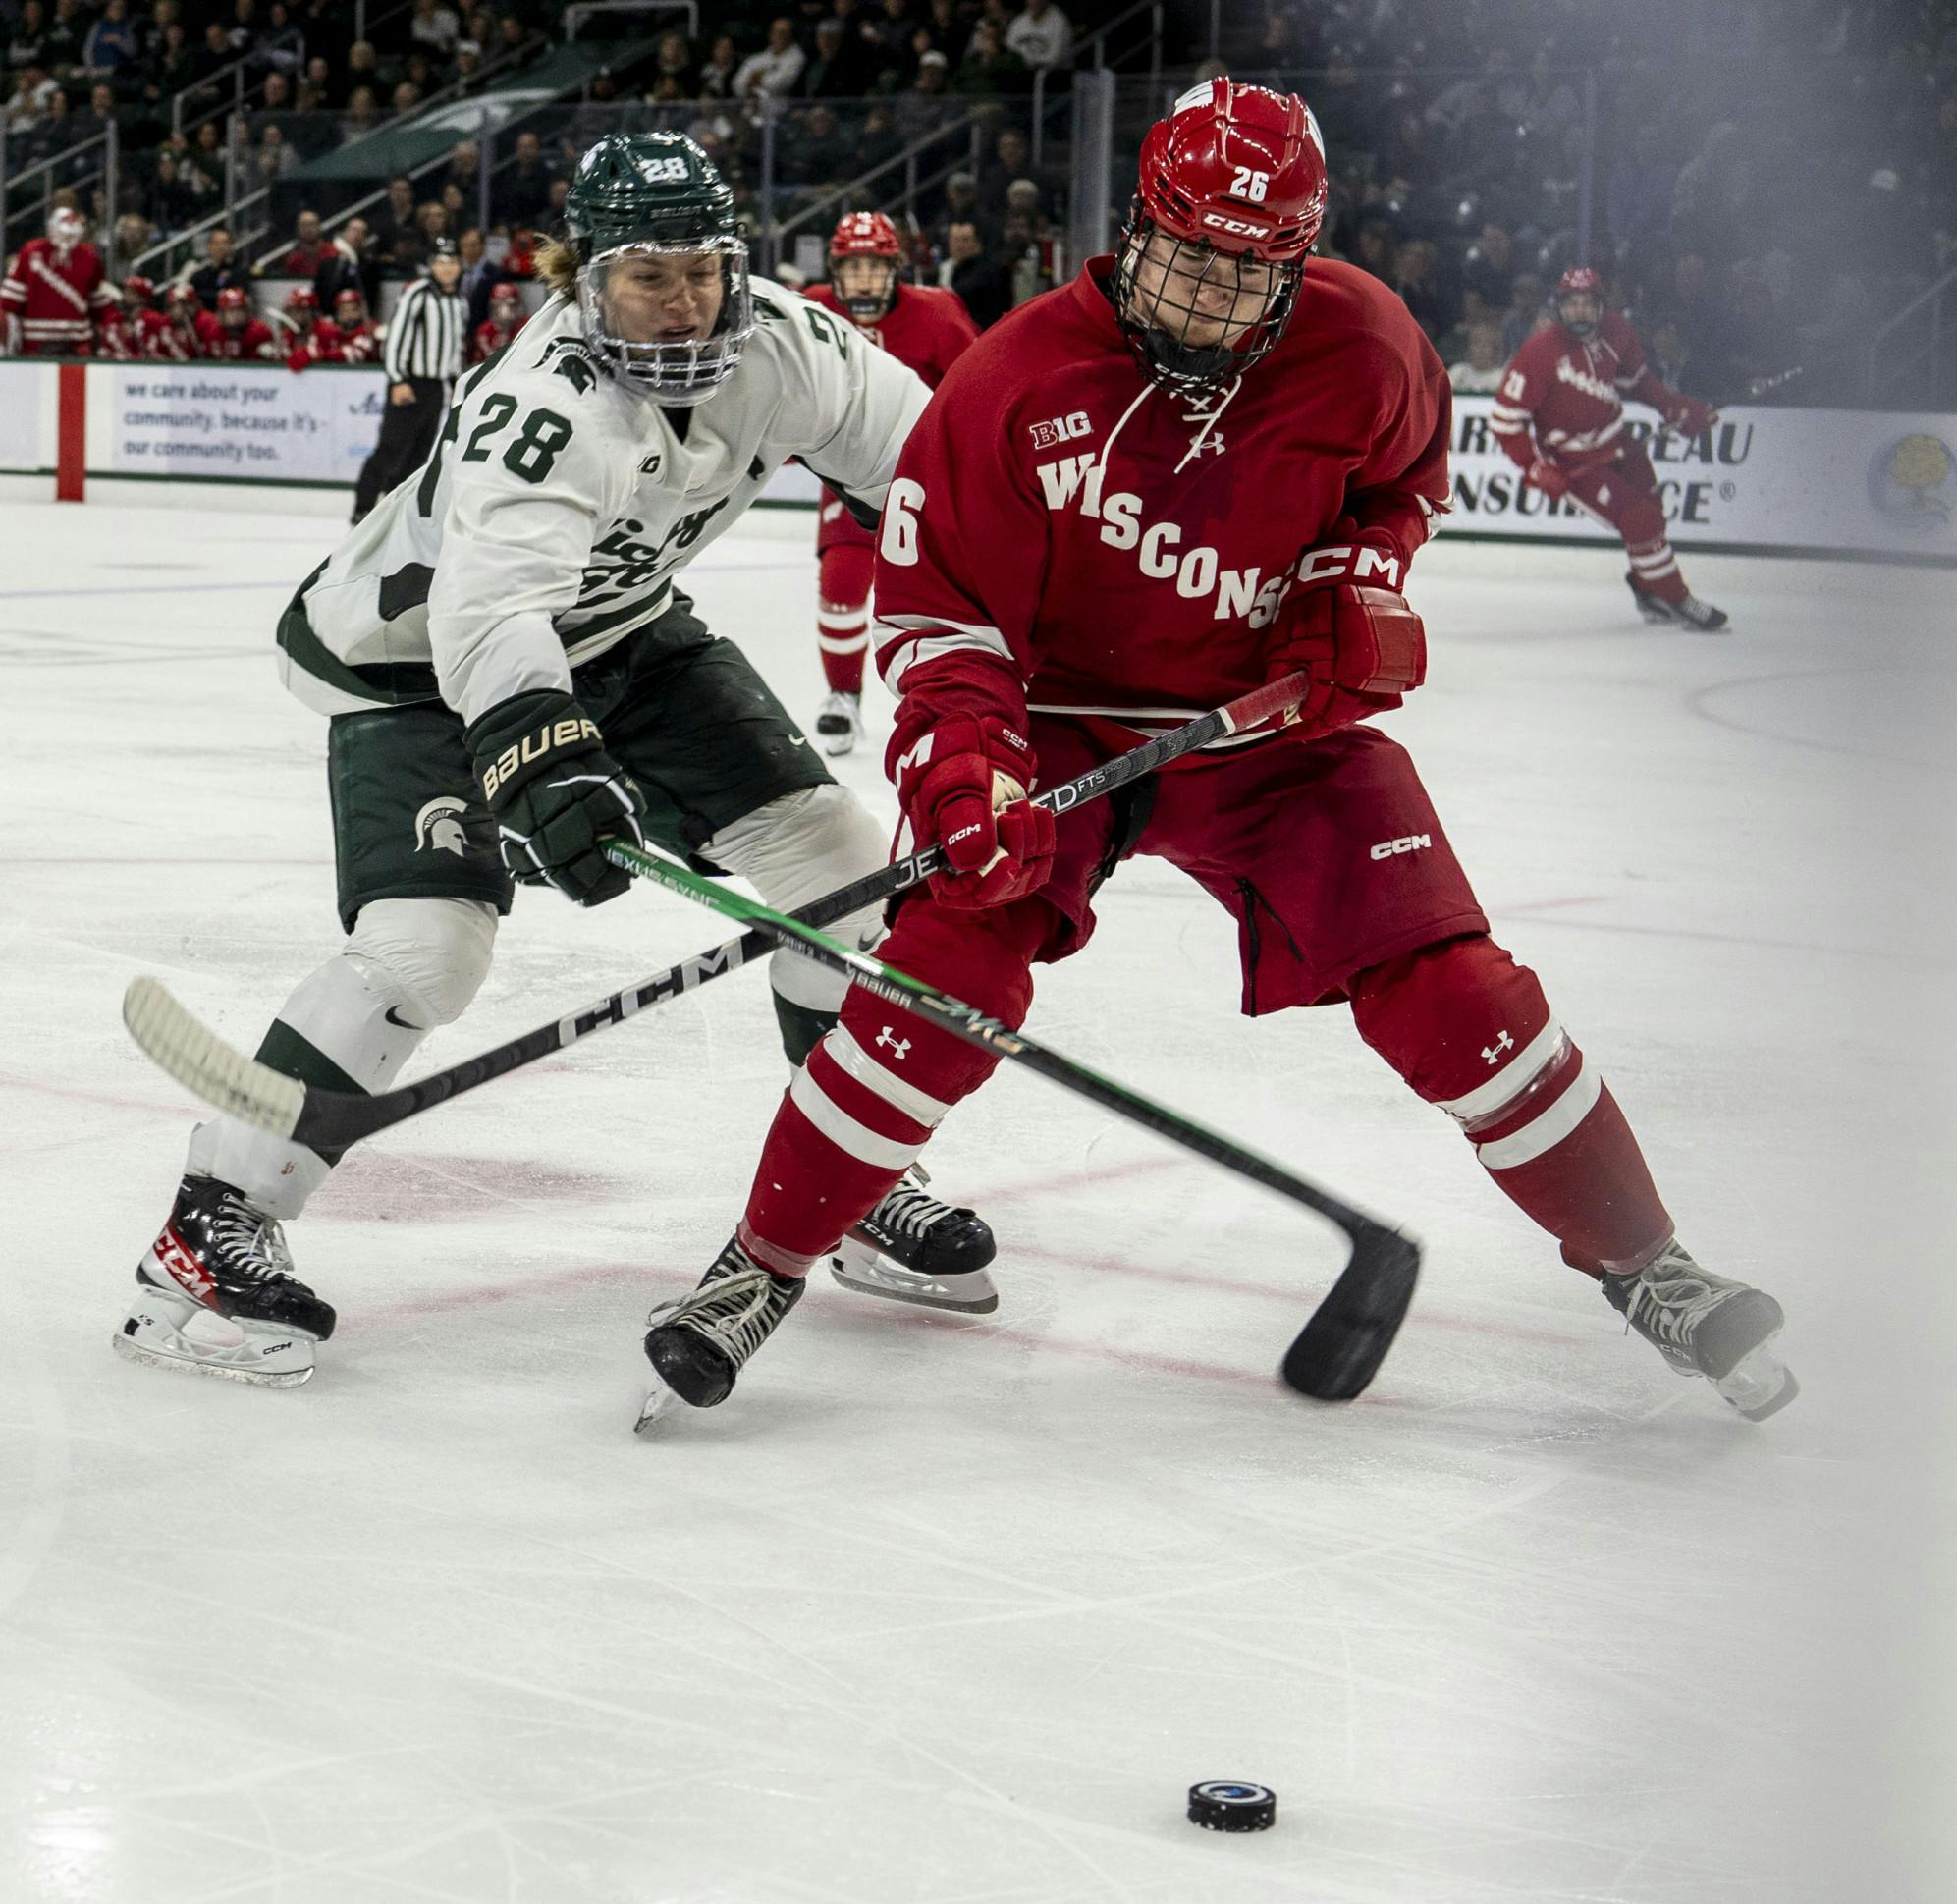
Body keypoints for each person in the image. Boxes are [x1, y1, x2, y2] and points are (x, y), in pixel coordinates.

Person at [639, 80, 1796, 1426]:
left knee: (1456, 988)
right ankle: (759, 1267)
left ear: (1295, 263)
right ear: (1139, 230)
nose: (1204, 300)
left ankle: (1649, 1267)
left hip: (1273, 731)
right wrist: (967, 771)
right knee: (946, 969)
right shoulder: (1015, 380)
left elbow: (1400, 484)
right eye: (1186, 259)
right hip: (1054, 726)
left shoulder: (1366, 342)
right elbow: (942, 613)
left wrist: (1348, 594)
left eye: (1246, 275)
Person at [116, 133, 1000, 1392]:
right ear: (583, 276)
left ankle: (850, 1177)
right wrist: (549, 768)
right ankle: (212, 1216)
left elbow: (950, 467)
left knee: (844, 872)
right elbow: (489, 618)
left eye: (701, 270)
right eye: (648, 276)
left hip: (624, 631)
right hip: (416, 660)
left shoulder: (788, 347)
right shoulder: (545, 407)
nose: (683, 301)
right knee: (431, 946)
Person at [799, 210, 977, 755]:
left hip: (928, 476)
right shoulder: (810, 306)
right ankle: (842, 697)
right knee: (841, 586)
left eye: (874, 269)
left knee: (950, 601)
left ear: (896, 269)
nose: (863, 282)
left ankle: (955, 702)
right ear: (834, 271)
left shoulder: (938, 315)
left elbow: (976, 384)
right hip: (850, 472)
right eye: (852, 270)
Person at [1493, 266, 1726, 630]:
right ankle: (1678, 599)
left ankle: (1648, 589)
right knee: (1640, 519)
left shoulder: (1618, 331)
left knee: (1652, 515)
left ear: (1601, 306)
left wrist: (1676, 407)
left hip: (1619, 443)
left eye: (1588, 303)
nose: (1580, 311)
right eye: (1572, 304)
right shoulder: (1539, 351)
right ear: (1560, 307)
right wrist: (1536, 467)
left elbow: (1639, 383)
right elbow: (1506, 420)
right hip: (1573, 460)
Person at [351, 236, 466, 521]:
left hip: (435, 387)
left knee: (419, 455)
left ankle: (395, 510)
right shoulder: (417, 294)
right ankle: (363, 506)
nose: (448, 268)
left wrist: (454, 382)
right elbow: (396, 339)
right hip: (410, 382)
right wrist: (397, 379)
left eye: (452, 262)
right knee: (391, 448)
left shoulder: (459, 301)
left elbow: (454, 346)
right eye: (441, 262)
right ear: (430, 266)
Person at [1, 203, 117, 354]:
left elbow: (100, 307)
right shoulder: (30, 252)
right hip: (36, 345)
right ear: (51, 229)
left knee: (74, 378)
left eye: (71, 234)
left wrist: (110, 327)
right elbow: (9, 304)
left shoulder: (89, 256)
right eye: (63, 233)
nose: (66, 238)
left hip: (77, 345)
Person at [201, 282, 278, 359]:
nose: (236, 315)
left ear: (247, 312)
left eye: (239, 310)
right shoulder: (212, 332)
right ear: (221, 313)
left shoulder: (260, 332)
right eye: (231, 311)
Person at [275, 282, 342, 369]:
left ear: (312, 312)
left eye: (298, 310)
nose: (293, 315)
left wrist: (311, 354)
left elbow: (337, 360)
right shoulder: (288, 334)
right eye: (291, 310)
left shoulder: (328, 331)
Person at [468, 276, 525, 361]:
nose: (504, 310)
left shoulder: (524, 327)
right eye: (498, 305)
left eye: (511, 305)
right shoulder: (484, 330)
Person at [330, 283, 379, 362]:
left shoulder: (370, 330)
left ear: (362, 311)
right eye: (344, 311)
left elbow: (358, 355)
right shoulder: (331, 331)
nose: (349, 315)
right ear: (337, 314)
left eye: (353, 310)